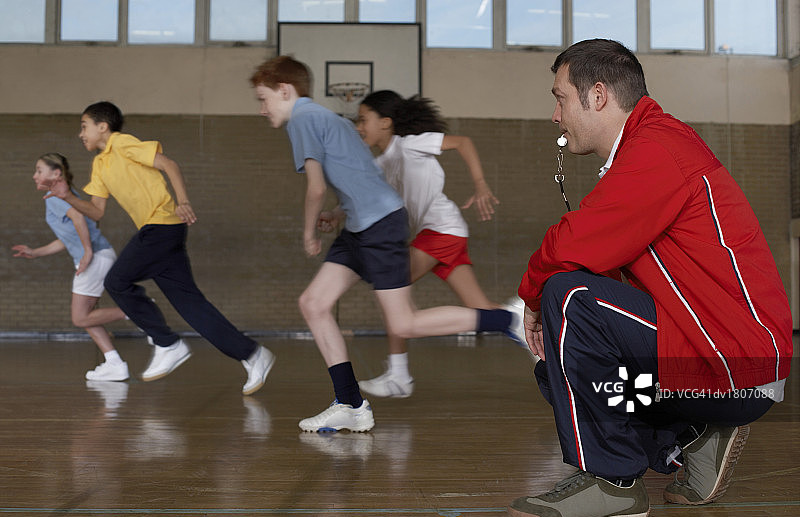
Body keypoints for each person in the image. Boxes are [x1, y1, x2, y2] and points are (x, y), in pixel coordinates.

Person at [507, 39, 792, 517]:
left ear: (597, 96)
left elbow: (574, 244)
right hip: (718, 359)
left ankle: (612, 483)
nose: (556, 115)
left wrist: (532, 297)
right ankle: (693, 440)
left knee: (568, 296)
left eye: (560, 98)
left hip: (733, 361)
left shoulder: (657, 147)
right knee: (558, 366)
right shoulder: (648, 147)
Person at [249, 56, 525, 432]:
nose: (262, 109)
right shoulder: (333, 121)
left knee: (404, 323)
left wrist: (309, 232)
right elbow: (361, 178)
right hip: (365, 226)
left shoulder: (302, 119)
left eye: (263, 99)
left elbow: (315, 187)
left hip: (381, 227)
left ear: (285, 90)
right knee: (313, 303)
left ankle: (507, 319)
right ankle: (350, 402)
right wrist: (340, 212)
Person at [45, 102, 274, 395]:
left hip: (162, 225)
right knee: (192, 305)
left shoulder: (123, 144)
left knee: (116, 281)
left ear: (103, 127)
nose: (81, 134)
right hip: (158, 232)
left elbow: (169, 164)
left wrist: (183, 201)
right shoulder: (100, 164)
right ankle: (253, 354)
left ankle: (167, 343)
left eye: (84, 126)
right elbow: (97, 211)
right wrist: (66, 197)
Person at [354, 90, 522, 398]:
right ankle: (528, 323)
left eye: (364, 120)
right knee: (481, 309)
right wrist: (334, 213)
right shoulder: (381, 164)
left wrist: (481, 184)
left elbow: (463, 142)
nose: (358, 126)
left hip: (442, 231)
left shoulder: (409, 144)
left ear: (386, 122)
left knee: (390, 285)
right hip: (443, 233)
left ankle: (399, 375)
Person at [13, 153, 129, 381]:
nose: (34, 175)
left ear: (56, 174)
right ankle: (114, 362)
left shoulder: (55, 196)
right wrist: (35, 252)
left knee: (79, 318)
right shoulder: (62, 196)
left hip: (94, 258)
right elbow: (67, 238)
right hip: (97, 256)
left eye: (39, 170)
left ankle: (138, 311)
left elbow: (77, 219)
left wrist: (87, 252)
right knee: (87, 316)